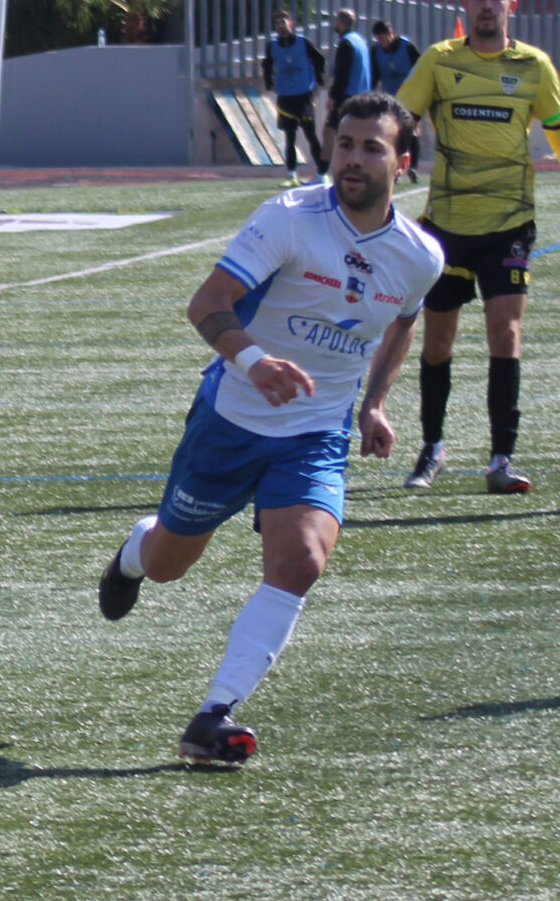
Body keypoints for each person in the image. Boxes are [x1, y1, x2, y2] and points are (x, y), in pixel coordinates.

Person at [95, 92, 443, 764]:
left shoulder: (418, 256)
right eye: (344, 143)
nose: (353, 158)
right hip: (231, 419)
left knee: (302, 560)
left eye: (372, 147)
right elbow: (207, 303)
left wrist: (374, 403)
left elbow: (403, 320)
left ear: (402, 163)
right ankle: (136, 552)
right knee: (170, 563)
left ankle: (214, 713)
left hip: (316, 433)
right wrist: (254, 362)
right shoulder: (288, 218)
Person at [392, 0, 560, 495]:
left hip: (510, 223)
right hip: (447, 226)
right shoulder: (439, 61)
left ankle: (500, 458)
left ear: (513, 3)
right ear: (465, 4)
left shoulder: (534, 67)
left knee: (505, 333)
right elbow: (400, 119)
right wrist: (389, 160)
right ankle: (432, 447)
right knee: (437, 342)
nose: (488, 5)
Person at [259, 11, 325, 187]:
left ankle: (322, 172)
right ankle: (291, 174)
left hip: (304, 95)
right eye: (278, 23)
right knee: (289, 136)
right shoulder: (272, 45)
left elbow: (319, 59)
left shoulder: (303, 42)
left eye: (283, 22)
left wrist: (318, 80)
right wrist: (269, 83)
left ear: (291, 23)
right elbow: (267, 64)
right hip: (285, 97)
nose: (281, 26)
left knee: (311, 134)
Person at [325, 7, 372, 140]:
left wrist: (333, 96)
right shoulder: (360, 41)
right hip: (363, 95)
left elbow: (342, 73)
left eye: (336, 20)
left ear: (340, 22)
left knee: (339, 132)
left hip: (348, 97)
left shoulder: (346, 43)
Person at [369, 18, 419, 96]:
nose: (380, 42)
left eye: (381, 38)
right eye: (377, 39)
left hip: (410, 96)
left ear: (390, 33)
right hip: (389, 97)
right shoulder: (376, 51)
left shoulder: (407, 47)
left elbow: (420, 69)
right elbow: (374, 77)